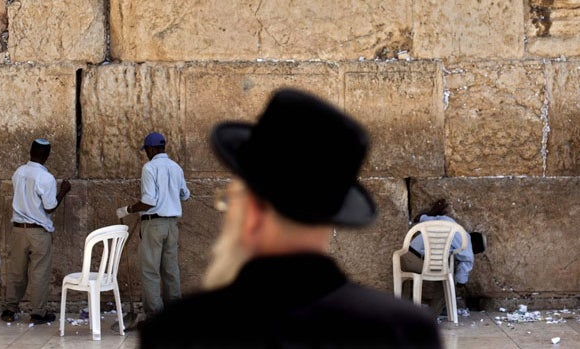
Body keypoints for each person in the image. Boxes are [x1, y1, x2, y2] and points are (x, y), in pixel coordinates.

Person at [140, 89, 442, 348]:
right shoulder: (407, 331)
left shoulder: (176, 332)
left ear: (253, 215)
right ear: (333, 215)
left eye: (230, 201)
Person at [117, 132, 190, 320]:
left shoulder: (149, 167)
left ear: (150, 148)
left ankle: (155, 316)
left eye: (146, 150)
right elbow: (185, 195)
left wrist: (128, 209)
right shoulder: (176, 167)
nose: (146, 154)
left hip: (154, 224)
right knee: (171, 269)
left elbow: (149, 201)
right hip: (172, 225)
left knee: (150, 271)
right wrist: (170, 196)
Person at [1, 138, 71, 324]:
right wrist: (63, 191)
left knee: (16, 271)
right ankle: (37, 313)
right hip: (38, 232)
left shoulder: (19, 172)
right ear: (47, 155)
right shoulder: (45, 178)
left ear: (31, 151)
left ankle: (9, 309)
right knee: (39, 272)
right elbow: (49, 207)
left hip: (18, 230)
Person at [401, 199, 474, 317]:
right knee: (448, 278)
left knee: (406, 280)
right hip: (421, 262)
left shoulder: (447, 220)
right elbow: (465, 265)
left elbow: (418, 218)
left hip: (406, 257)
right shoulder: (466, 240)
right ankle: (433, 314)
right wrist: (460, 283)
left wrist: (433, 212)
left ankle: (400, 308)